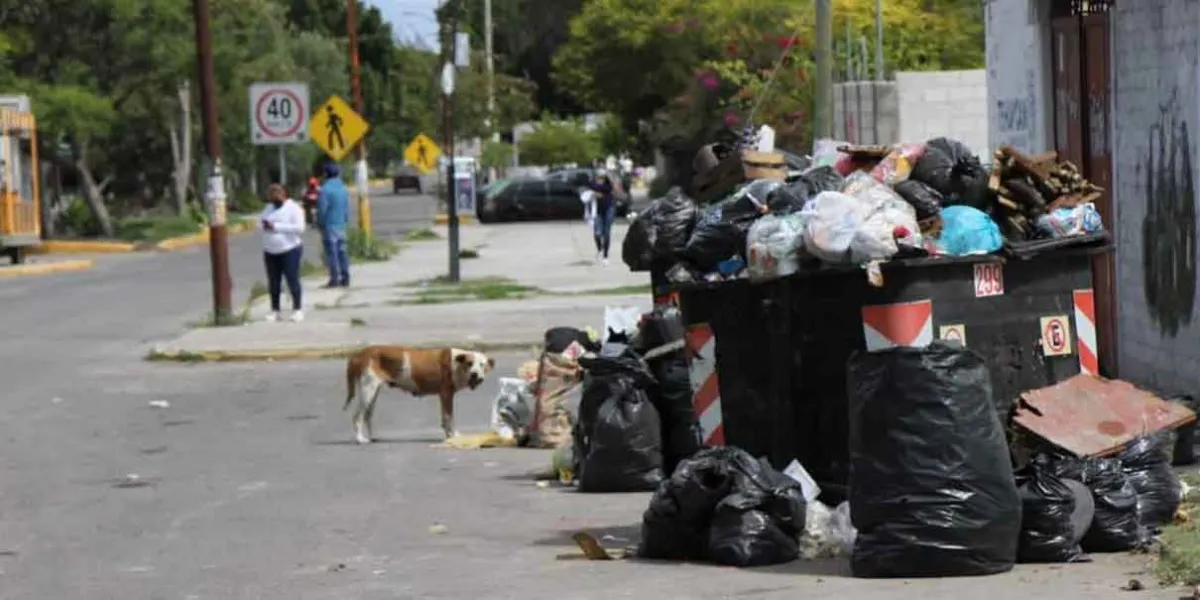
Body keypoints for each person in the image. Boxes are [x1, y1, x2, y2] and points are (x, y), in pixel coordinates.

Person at [259, 183, 306, 322]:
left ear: (284, 194)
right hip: (270, 251)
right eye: (272, 194)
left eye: (277, 193)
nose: (274, 197)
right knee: (274, 282)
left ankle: (297, 309)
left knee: (292, 279)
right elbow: (260, 223)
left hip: (290, 249)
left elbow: (300, 228)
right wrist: (264, 225)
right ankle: (275, 310)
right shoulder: (268, 208)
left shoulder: (293, 208)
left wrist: (276, 226)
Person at [316, 163, 351, 288]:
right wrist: (346, 220)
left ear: (326, 174)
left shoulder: (325, 190)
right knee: (343, 252)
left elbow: (322, 210)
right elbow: (346, 208)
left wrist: (319, 223)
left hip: (329, 226)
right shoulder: (343, 188)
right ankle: (346, 277)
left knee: (332, 253)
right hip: (341, 225)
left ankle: (334, 279)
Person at [589, 169, 616, 266]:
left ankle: (605, 256)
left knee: (606, 232)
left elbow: (609, 187)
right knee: (597, 233)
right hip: (597, 211)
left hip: (609, 209)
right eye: (598, 177)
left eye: (602, 177)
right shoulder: (592, 184)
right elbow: (590, 189)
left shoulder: (608, 184)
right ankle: (599, 249)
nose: (600, 179)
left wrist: (608, 175)